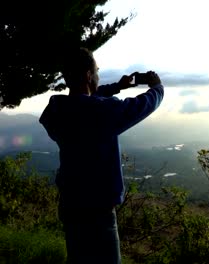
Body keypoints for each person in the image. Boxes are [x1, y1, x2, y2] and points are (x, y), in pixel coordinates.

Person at [39, 47, 164, 263]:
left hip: (71, 204)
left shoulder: (57, 110)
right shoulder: (101, 112)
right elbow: (141, 106)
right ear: (88, 75)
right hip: (97, 211)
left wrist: (118, 86)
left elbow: (83, 100)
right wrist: (157, 88)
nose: (98, 74)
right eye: (96, 71)